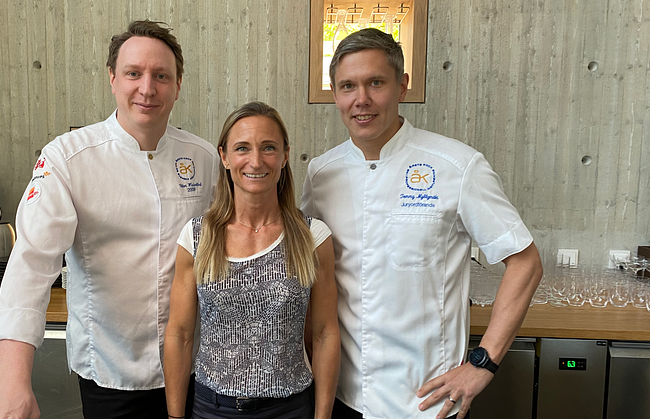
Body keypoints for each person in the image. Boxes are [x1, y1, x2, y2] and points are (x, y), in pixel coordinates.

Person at [0, 20, 219, 419]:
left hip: (195, 368)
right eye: (133, 73)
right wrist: (11, 381)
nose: (147, 88)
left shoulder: (204, 158)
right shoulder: (68, 158)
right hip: (110, 373)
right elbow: (32, 262)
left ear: (178, 85)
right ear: (112, 79)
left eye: (161, 75)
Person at [301, 28, 543, 419]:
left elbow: (525, 262)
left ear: (403, 86)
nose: (361, 100)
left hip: (427, 402)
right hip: (342, 396)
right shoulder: (320, 173)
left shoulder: (458, 166)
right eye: (348, 86)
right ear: (334, 94)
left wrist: (484, 363)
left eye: (375, 83)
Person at [164, 101, 341, 419]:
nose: (256, 161)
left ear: (285, 155)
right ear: (225, 157)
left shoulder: (313, 237)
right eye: (242, 148)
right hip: (213, 409)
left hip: (290, 408)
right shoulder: (197, 237)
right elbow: (179, 334)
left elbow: (325, 333)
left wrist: (323, 416)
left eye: (268, 147)